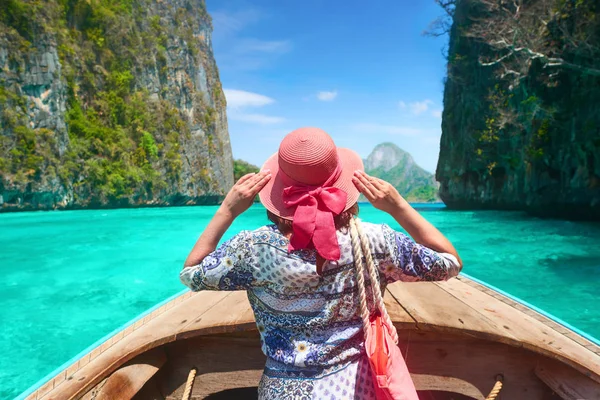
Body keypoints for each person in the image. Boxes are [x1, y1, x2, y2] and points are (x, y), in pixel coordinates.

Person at [181, 127, 462, 399]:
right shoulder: (376, 241)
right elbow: (449, 262)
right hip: (357, 387)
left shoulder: (253, 249)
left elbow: (192, 273)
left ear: (279, 192)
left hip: (282, 392)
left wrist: (228, 210)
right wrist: (397, 206)